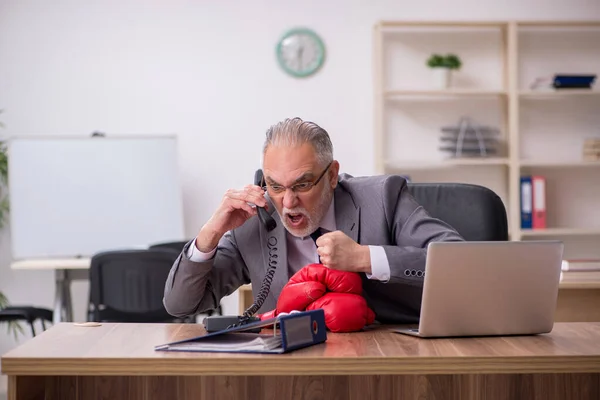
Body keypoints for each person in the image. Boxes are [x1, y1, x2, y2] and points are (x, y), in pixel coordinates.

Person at [163, 117, 464, 324]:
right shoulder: (254, 218)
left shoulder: (383, 198)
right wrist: (210, 233)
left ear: (332, 175)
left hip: (381, 358)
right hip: (290, 371)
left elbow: (458, 262)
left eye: (303, 185)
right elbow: (180, 305)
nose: (288, 201)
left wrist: (365, 257)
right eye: (276, 186)